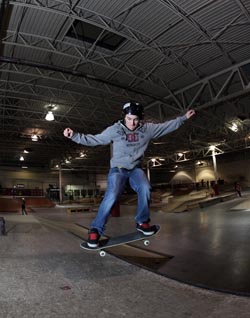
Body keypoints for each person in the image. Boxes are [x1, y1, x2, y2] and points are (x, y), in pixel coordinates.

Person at [63, 102, 195, 247]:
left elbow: (166, 126)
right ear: (124, 117)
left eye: (135, 119)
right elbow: (96, 140)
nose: (132, 123)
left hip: (135, 169)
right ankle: (96, 229)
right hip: (118, 169)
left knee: (145, 188)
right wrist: (74, 136)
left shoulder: (148, 129)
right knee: (112, 195)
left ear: (141, 119)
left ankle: (142, 222)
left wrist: (183, 118)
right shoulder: (115, 130)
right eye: (129, 119)